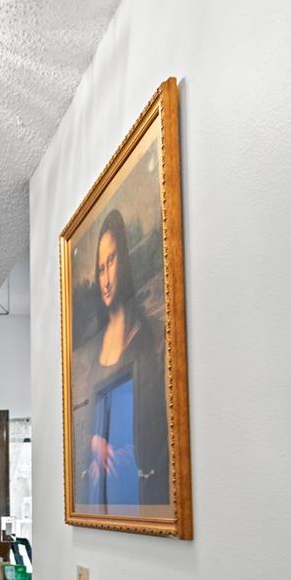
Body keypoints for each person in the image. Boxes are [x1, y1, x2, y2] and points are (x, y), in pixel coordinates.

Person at [75, 208, 169, 509]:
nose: (105, 278)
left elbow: (159, 431)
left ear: (124, 260)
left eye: (111, 261)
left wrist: (126, 451)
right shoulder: (87, 353)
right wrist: (91, 442)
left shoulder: (152, 338)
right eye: (100, 268)